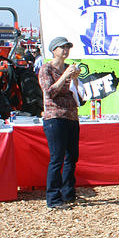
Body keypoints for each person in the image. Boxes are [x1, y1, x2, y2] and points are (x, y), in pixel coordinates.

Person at [38, 36, 85, 210]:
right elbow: (49, 92)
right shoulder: (46, 69)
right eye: (61, 47)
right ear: (53, 50)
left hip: (71, 116)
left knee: (72, 157)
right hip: (54, 117)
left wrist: (74, 79)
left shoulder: (68, 68)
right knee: (57, 158)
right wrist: (64, 76)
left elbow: (79, 95)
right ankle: (53, 198)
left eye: (67, 47)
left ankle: (68, 193)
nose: (65, 50)